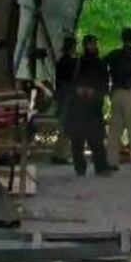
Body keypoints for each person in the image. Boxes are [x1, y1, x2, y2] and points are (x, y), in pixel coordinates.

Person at [66, 34, 111, 176]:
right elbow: (70, 81)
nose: (93, 46)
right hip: (78, 105)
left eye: (94, 44)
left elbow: (105, 82)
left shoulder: (100, 63)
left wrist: (95, 91)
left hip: (94, 105)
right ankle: (80, 167)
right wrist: (77, 90)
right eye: (90, 44)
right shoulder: (78, 62)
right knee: (77, 138)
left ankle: (101, 167)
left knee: (96, 137)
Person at [105, 27, 131, 172]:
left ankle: (111, 161)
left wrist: (107, 88)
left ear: (122, 39)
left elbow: (102, 67)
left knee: (115, 128)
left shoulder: (113, 55)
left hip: (116, 91)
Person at [53, 36, 77, 165]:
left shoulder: (60, 61)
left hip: (62, 95)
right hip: (69, 96)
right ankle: (61, 155)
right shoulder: (71, 63)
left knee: (64, 127)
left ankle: (59, 153)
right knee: (66, 127)